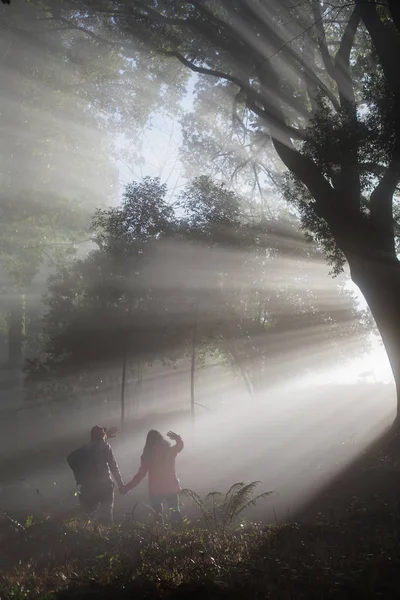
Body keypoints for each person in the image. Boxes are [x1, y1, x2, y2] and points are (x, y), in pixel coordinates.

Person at [120, 430, 184, 524]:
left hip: (155, 490)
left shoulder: (147, 456)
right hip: (171, 488)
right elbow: (180, 446)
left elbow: (140, 475)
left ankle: (159, 535)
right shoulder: (169, 451)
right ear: (161, 439)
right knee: (175, 513)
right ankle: (180, 535)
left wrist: (127, 487)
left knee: (158, 517)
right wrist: (177, 438)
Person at [67, 425, 124, 525]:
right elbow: (113, 467)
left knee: (87, 515)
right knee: (106, 515)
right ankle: (105, 535)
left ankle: (85, 535)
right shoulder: (105, 447)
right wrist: (121, 485)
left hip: (88, 487)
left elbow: (71, 459)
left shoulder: (85, 448)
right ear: (102, 435)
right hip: (105, 486)